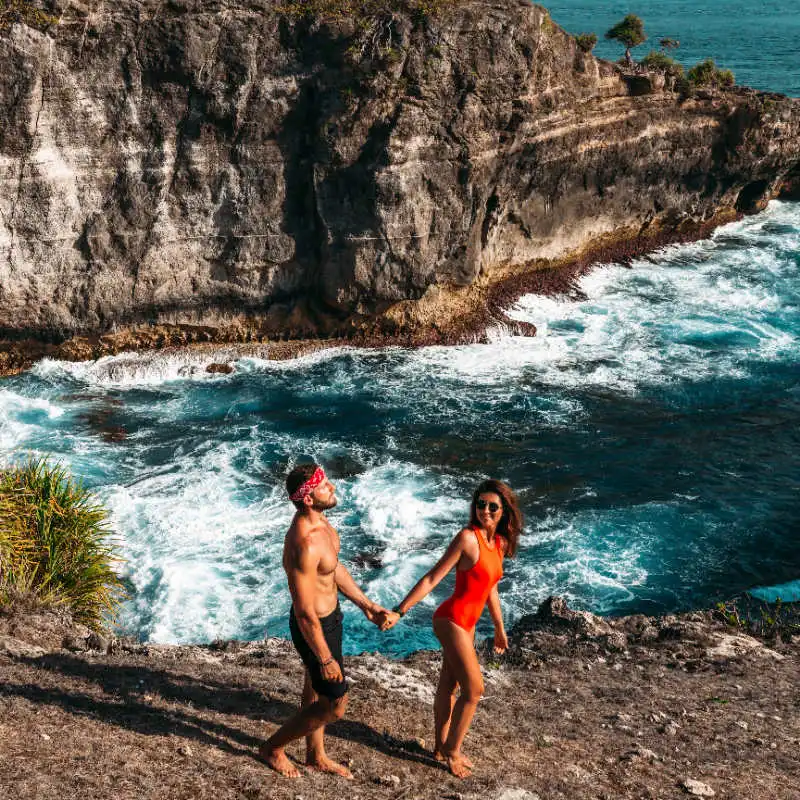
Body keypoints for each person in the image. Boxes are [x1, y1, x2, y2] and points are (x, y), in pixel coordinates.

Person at [259, 463, 393, 779]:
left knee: (316, 692)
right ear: (307, 499)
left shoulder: (323, 524)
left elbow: (332, 569)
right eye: (324, 485)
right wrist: (324, 656)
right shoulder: (303, 543)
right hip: (313, 628)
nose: (331, 487)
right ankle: (272, 748)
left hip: (331, 618)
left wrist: (366, 605)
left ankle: (315, 754)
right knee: (335, 705)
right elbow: (304, 611)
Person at [382, 479, 522, 779]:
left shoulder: (499, 543)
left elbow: (490, 589)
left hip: (469, 625)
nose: (484, 510)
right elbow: (432, 578)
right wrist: (399, 611)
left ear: (504, 512)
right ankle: (452, 752)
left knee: (450, 686)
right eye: (480, 504)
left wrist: (499, 628)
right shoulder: (467, 538)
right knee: (474, 689)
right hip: (450, 620)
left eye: (492, 506)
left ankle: (438, 745)